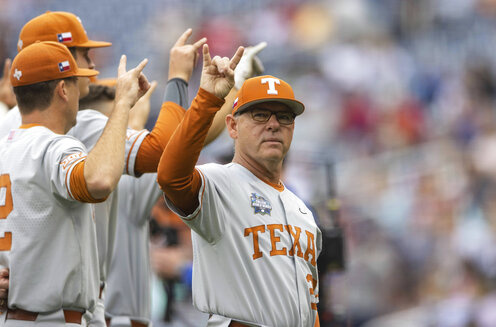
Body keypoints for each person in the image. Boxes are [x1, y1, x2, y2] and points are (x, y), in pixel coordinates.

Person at [157, 41, 322, 327]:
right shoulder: (219, 183)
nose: (273, 124)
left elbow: (310, 307)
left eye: (284, 116)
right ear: (232, 126)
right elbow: (171, 176)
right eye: (260, 114)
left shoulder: (303, 212)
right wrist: (208, 99)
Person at [103, 40, 267, 327]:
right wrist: (183, 78)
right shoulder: (108, 164)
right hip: (115, 313)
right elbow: (177, 149)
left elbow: (184, 148)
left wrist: (185, 268)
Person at [0, 41, 148, 326]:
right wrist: (122, 106)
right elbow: (99, 181)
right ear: (63, 90)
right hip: (50, 318)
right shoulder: (53, 145)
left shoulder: (5, 146)